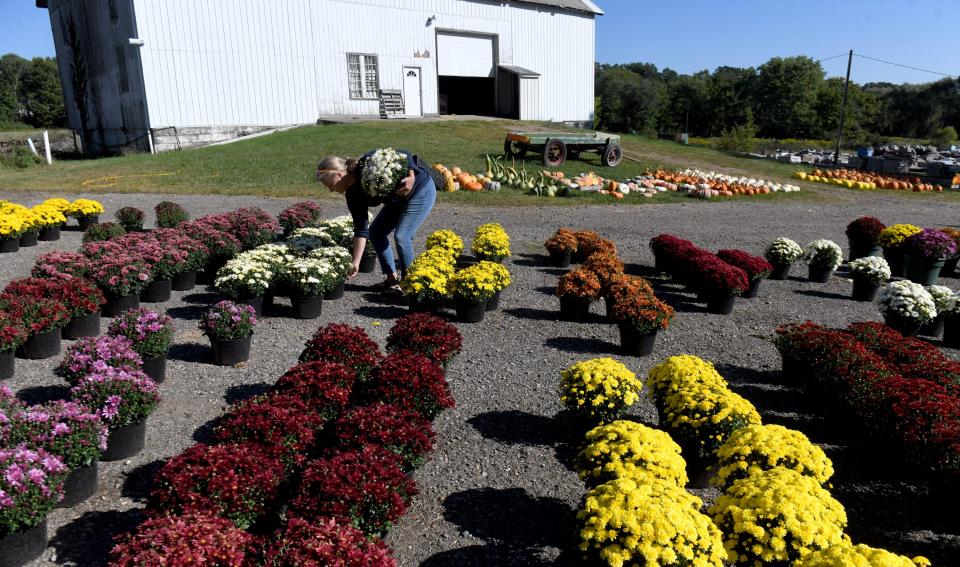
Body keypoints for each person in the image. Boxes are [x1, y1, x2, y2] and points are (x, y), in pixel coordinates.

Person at [316, 149, 436, 291]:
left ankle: (411, 285)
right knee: (376, 233)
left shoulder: (368, 162)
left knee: (402, 236)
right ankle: (392, 281)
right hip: (397, 200)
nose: (330, 190)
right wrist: (355, 263)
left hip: (419, 189)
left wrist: (411, 176)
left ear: (338, 175)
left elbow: (404, 154)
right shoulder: (352, 195)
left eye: (329, 185)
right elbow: (361, 229)